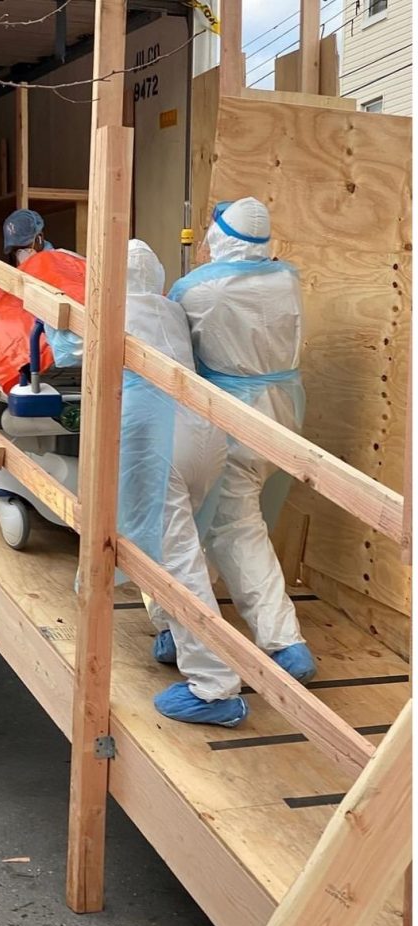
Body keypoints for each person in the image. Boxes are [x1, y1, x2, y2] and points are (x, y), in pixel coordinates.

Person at [49, 239, 247, 727]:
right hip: (204, 431)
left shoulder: (108, 311)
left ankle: (215, 687)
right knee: (179, 545)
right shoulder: (170, 309)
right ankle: (174, 633)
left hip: (157, 435)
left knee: (177, 561)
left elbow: (64, 349)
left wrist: (52, 307)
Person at [166, 196, 316, 684]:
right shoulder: (286, 277)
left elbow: (172, 343)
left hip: (233, 417)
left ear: (217, 237)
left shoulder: (197, 289)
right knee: (220, 517)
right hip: (284, 410)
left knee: (230, 524)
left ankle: (284, 641)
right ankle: (178, 622)